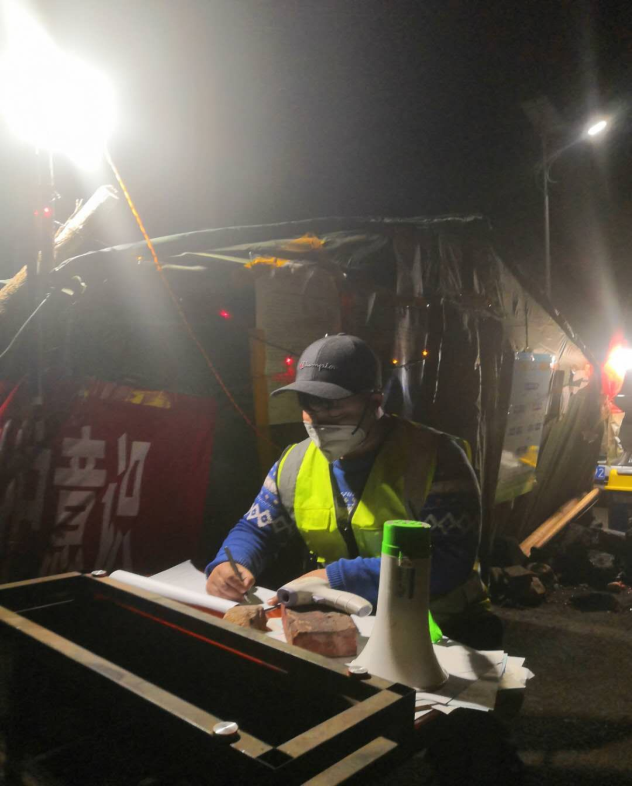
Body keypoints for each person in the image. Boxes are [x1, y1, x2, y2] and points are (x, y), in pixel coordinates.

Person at [206, 333, 495, 644]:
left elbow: (448, 561)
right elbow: (257, 529)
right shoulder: (294, 464)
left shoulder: (437, 459)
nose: (320, 423)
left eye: (336, 411)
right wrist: (231, 562)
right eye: (310, 409)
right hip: (342, 623)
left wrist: (337, 578)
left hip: (440, 629)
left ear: (375, 402)